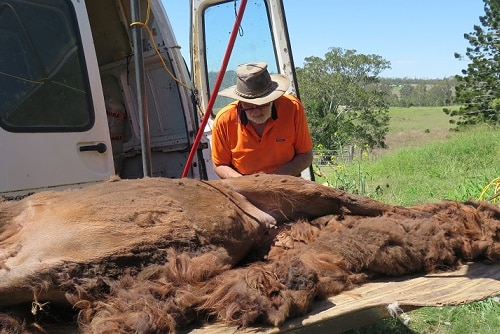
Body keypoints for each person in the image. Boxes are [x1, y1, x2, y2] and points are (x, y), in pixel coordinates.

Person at [211, 62, 313, 179]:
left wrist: (273, 180)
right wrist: (245, 183)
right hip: (245, 186)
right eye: (249, 106)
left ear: (272, 98)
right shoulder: (224, 120)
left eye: (261, 105)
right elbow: (220, 164)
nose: (256, 112)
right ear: (240, 102)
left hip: (287, 181)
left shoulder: (292, 107)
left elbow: (306, 155)